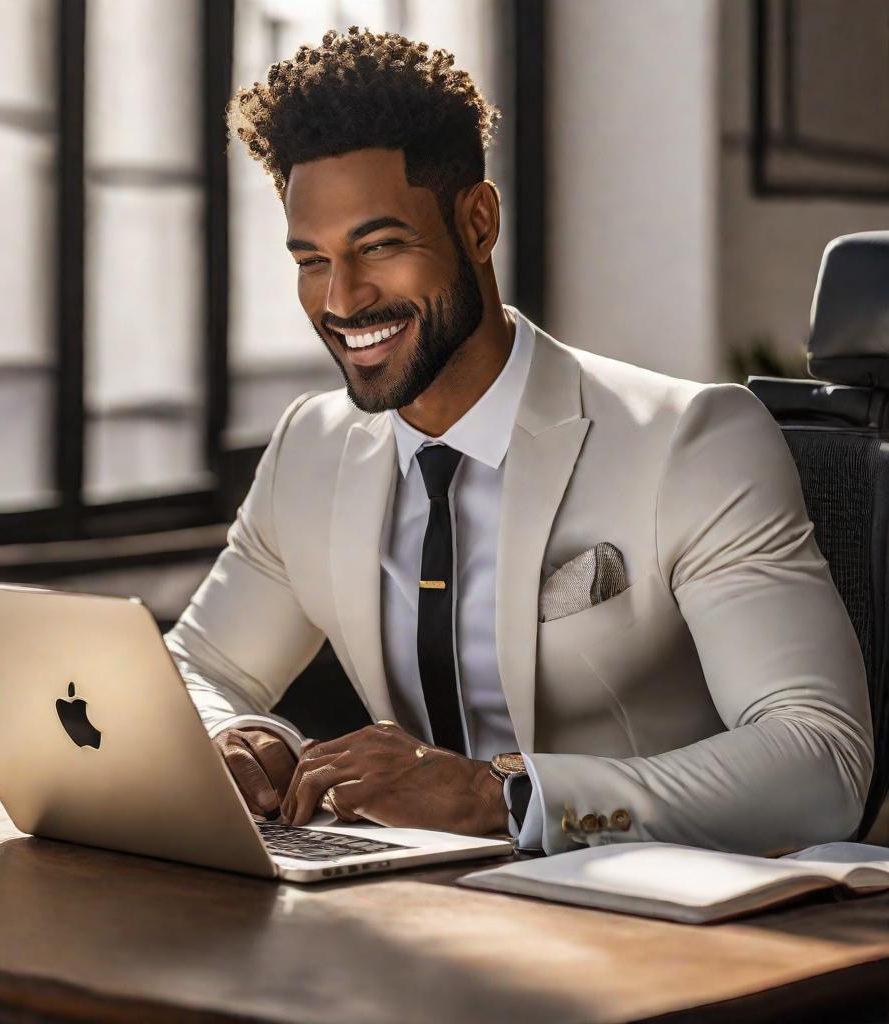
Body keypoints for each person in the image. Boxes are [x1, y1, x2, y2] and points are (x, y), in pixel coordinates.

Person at [164, 27, 873, 854]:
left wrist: (502, 795)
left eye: (380, 246)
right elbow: (196, 670)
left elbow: (821, 761)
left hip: (652, 918)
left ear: (478, 222)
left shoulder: (690, 441)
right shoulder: (310, 448)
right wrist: (241, 738)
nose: (342, 299)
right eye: (311, 260)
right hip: (416, 909)